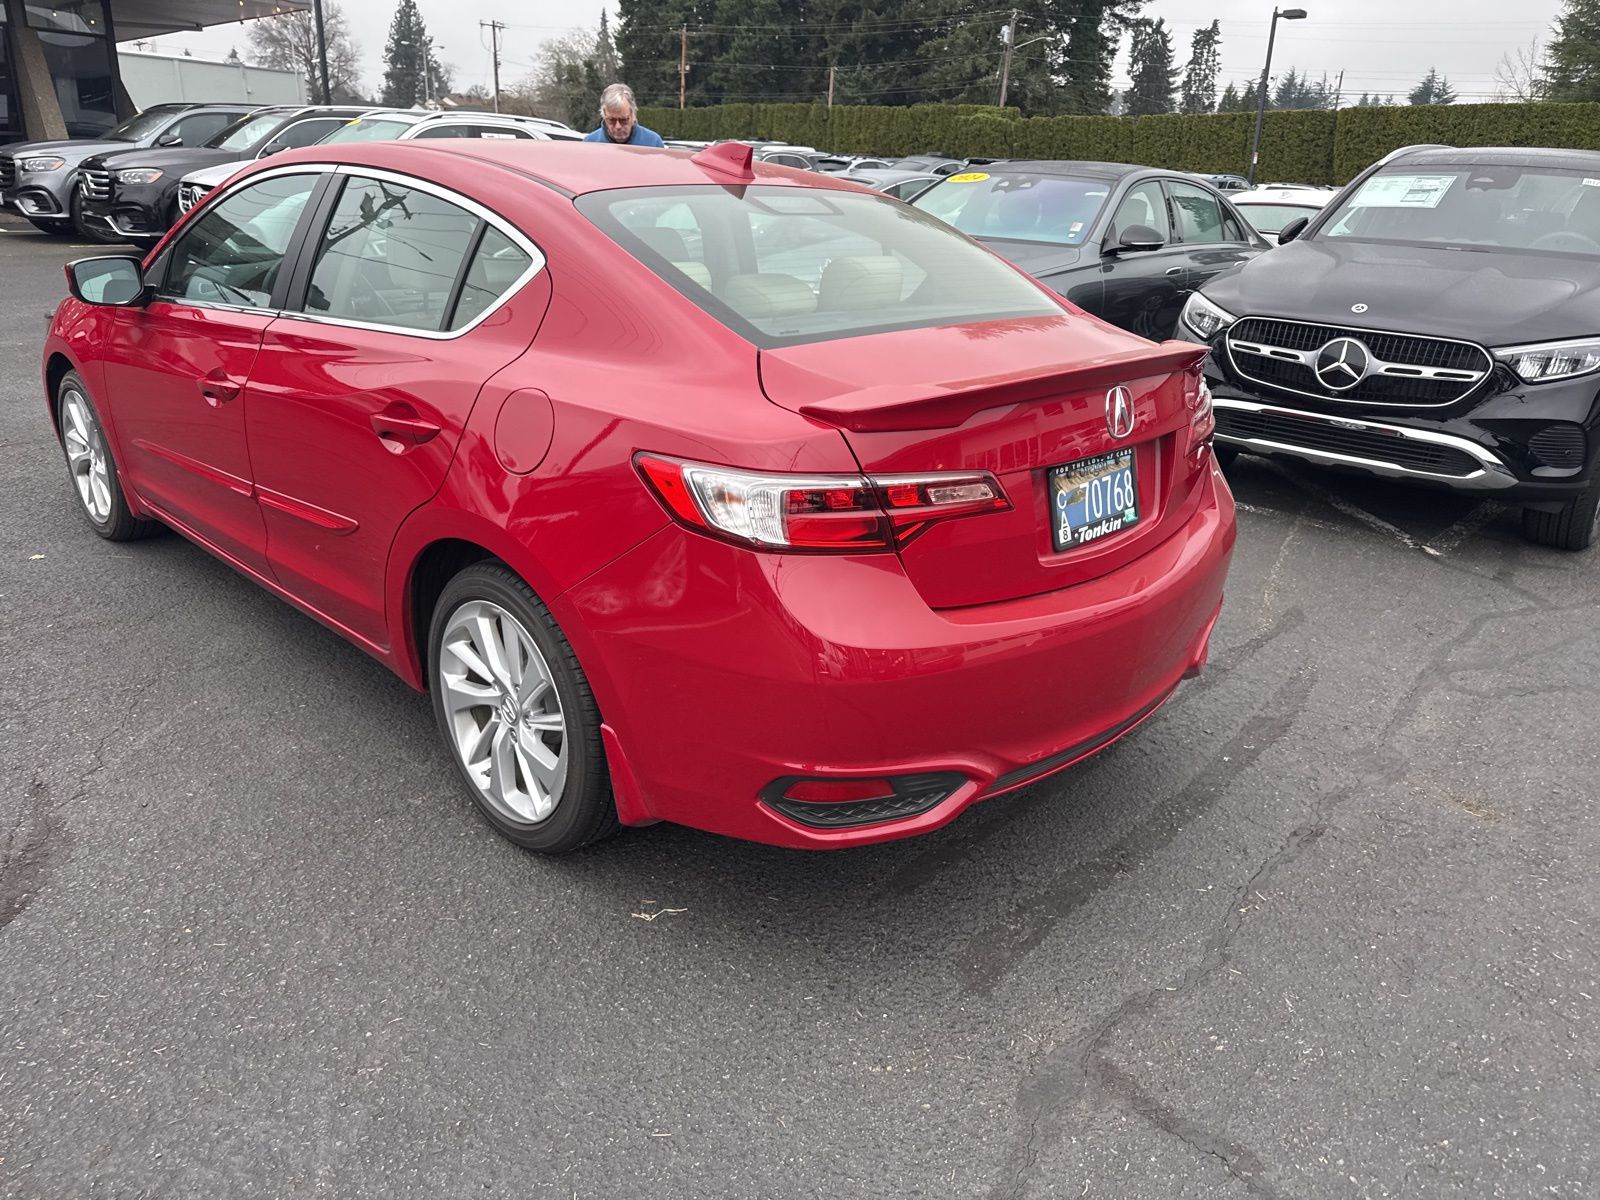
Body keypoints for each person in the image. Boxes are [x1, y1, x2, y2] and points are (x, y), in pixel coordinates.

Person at [584, 83, 665, 148]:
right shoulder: (590, 145)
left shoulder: (653, 143)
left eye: (623, 120)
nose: (618, 126)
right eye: (611, 120)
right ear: (604, 116)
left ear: (634, 114)